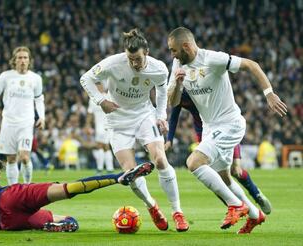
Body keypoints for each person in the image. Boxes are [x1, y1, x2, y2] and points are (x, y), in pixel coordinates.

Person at [167, 27, 287, 233]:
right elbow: (173, 102)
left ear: (186, 46)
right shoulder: (178, 64)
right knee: (225, 177)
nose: (172, 55)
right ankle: (254, 215)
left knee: (193, 163)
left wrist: (269, 93)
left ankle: (235, 205)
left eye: (174, 50)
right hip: (210, 128)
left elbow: (251, 65)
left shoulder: (212, 59)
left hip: (230, 124)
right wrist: (178, 84)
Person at [80, 28, 189, 232]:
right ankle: (152, 206)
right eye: (130, 59)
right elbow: (85, 78)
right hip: (117, 122)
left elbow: (162, 91)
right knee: (131, 173)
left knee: (160, 159)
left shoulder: (158, 68)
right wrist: (101, 100)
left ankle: (178, 212)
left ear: (146, 52)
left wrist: (161, 116)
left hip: (143, 115)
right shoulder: (113, 63)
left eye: (137, 59)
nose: (134, 63)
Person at [0, 156, 154, 231]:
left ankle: (54, 224)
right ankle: (118, 177)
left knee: (70, 221)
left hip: (8, 223)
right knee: (66, 189)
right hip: (9, 197)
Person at [165, 89, 272, 214]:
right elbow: (173, 117)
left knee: (235, 171)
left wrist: (237, 160)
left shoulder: (198, 91)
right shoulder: (178, 97)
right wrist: (169, 140)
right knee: (214, 177)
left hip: (222, 128)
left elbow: (230, 121)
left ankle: (256, 194)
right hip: (204, 133)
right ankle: (236, 208)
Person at [0, 46, 45, 185]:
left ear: (29, 60)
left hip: (26, 123)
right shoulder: (6, 76)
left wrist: (42, 117)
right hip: (8, 122)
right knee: (10, 159)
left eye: (25, 58)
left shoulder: (35, 78)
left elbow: (39, 99)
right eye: (20, 58)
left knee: (24, 156)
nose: (22, 60)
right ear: (14, 60)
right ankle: (13, 190)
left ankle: (27, 186)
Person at [86, 83, 114, 174]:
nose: (98, 87)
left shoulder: (108, 97)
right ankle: (106, 169)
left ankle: (104, 169)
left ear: (103, 87)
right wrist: (87, 125)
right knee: (101, 146)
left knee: (104, 146)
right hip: (98, 126)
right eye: (97, 86)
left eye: (100, 85)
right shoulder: (92, 99)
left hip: (107, 125)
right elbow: (90, 113)